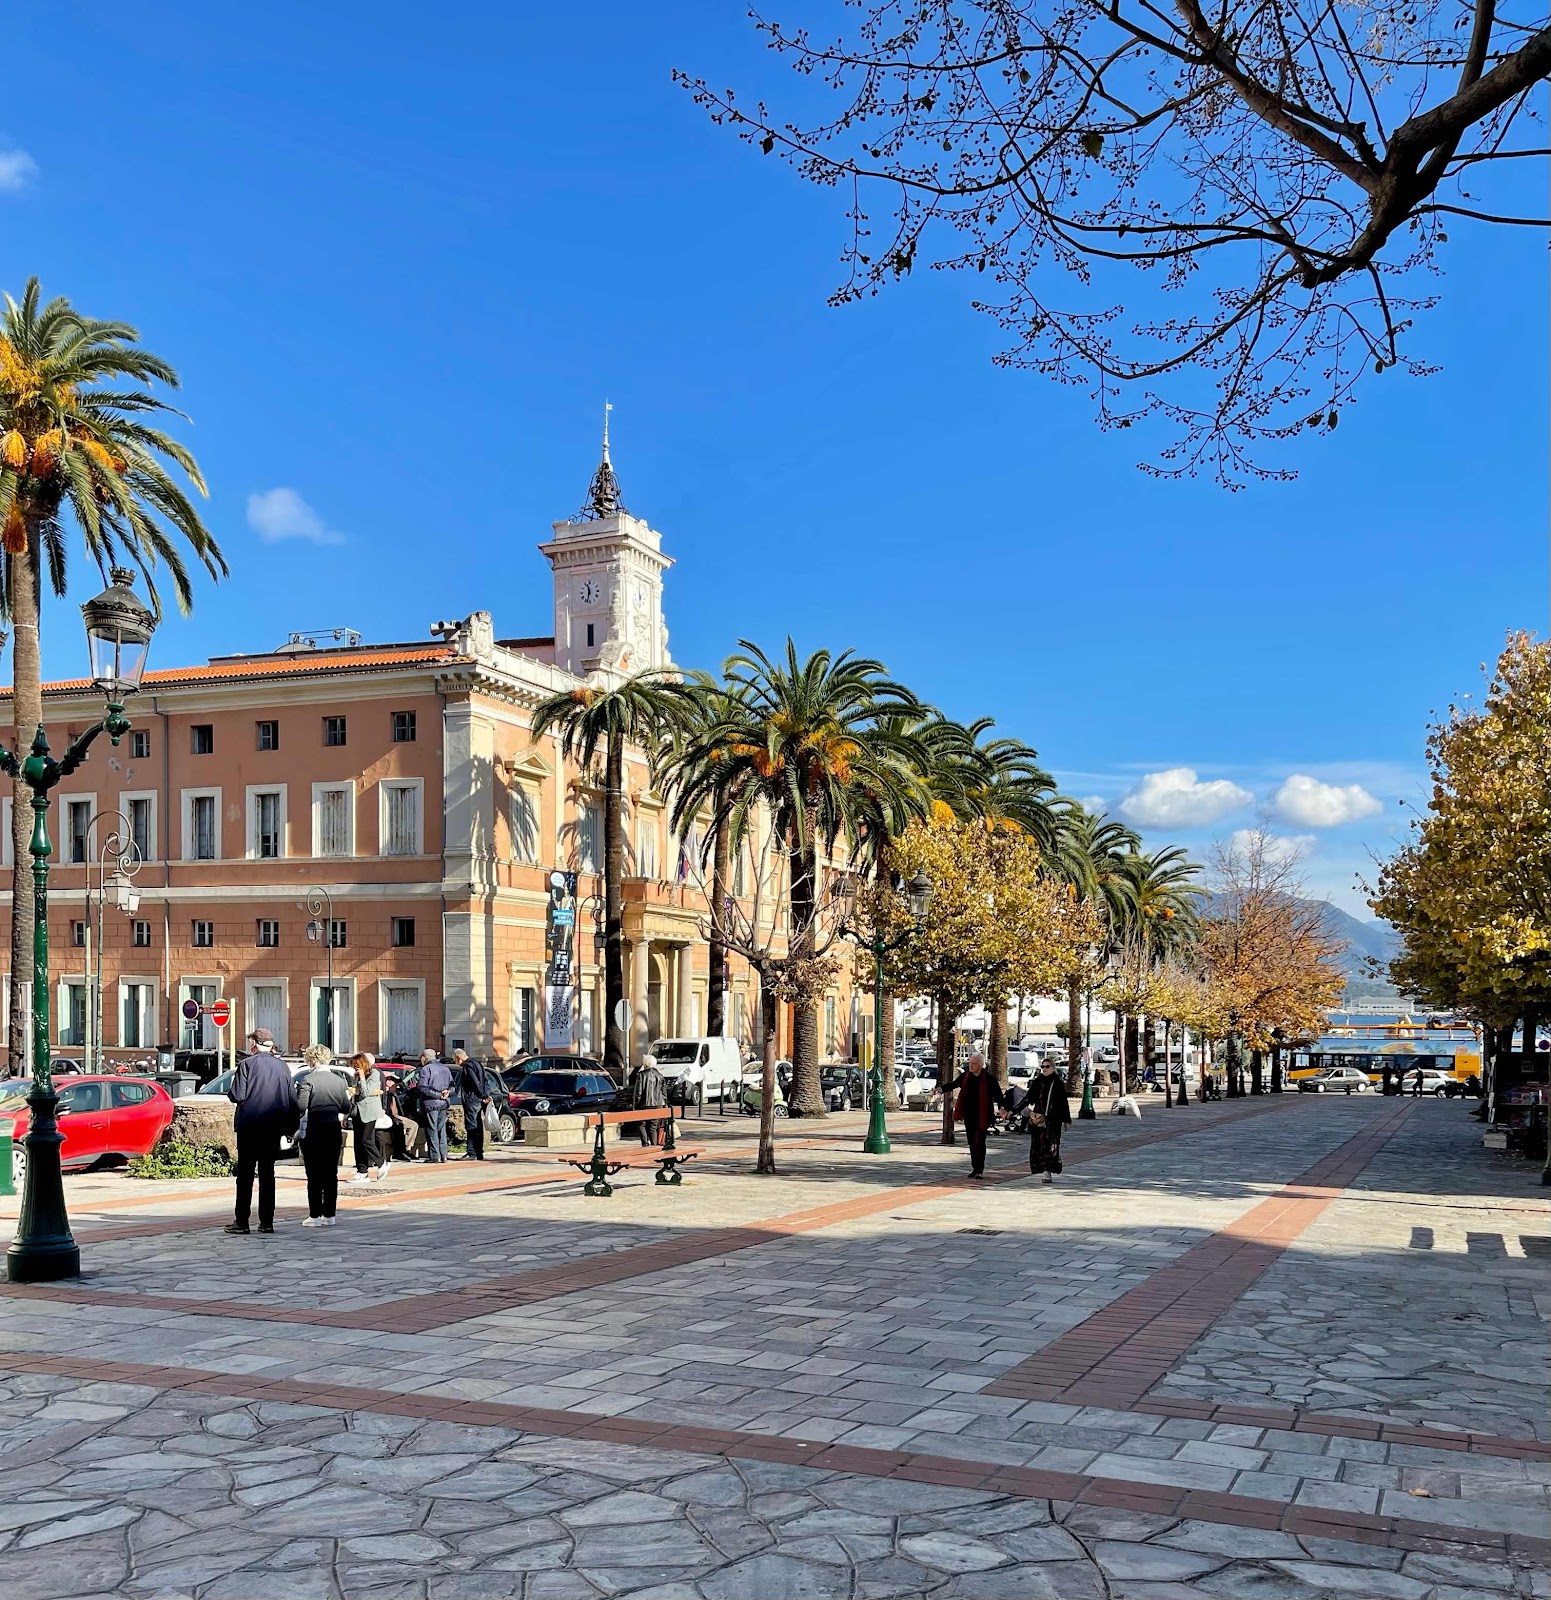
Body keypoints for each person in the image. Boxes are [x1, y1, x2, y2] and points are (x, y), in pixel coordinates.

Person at [225, 1028, 297, 1235]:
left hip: (249, 1126)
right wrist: (291, 1128)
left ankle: (242, 1221)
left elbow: (237, 1095)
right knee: (267, 1174)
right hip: (273, 1128)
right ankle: (267, 1222)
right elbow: (291, 1100)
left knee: (245, 1175)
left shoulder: (246, 1064)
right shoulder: (282, 1067)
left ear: (254, 1044)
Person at [296, 1044, 350, 1225]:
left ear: (311, 1060)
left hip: (314, 1130)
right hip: (333, 1129)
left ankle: (315, 1216)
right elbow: (346, 1107)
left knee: (314, 1174)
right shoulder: (339, 1081)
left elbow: (301, 1106)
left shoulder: (308, 1080)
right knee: (331, 1173)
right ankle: (330, 1215)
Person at [938, 1052, 1006, 1179]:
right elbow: (953, 1084)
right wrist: (940, 1089)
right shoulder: (966, 1076)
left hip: (983, 1115)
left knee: (980, 1142)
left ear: (981, 1065)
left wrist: (1002, 1108)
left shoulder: (989, 1079)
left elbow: (999, 1096)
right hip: (969, 1115)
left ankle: (979, 1169)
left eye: (974, 1063)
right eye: (970, 1063)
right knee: (972, 1142)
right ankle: (975, 1167)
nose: (971, 1066)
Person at [1026, 1059, 1072, 1183]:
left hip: (1054, 1119)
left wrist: (1067, 1120)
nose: (1044, 1069)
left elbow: (1063, 1103)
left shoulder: (1057, 1083)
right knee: (1039, 1145)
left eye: (1047, 1066)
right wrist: (1013, 1110)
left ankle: (1049, 1170)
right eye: (1042, 1067)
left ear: (1052, 1067)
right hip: (1039, 1119)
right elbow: (1028, 1098)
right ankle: (1044, 1169)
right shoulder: (1038, 1081)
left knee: (1051, 1145)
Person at [346, 1053, 389, 1183]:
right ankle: (362, 1172)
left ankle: (381, 1163)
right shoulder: (356, 1075)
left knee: (366, 1140)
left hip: (369, 1112)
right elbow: (354, 1095)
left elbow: (365, 1092)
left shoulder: (374, 1074)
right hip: (357, 1112)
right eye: (353, 1065)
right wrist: (347, 1115)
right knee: (358, 1143)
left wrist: (362, 1077)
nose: (355, 1067)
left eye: (356, 1065)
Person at [414, 1048, 455, 1162]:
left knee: (432, 1129)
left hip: (431, 1103)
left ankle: (435, 1156)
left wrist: (438, 1095)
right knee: (441, 1129)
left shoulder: (425, 1069)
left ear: (425, 1058)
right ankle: (444, 1155)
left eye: (421, 1058)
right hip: (444, 1103)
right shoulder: (445, 1068)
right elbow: (452, 1085)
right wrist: (447, 1092)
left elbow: (422, 1087)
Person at [453, 1048, 493, 1161]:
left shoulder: (467, 1066)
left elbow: (475, 1082)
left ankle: (472, 1152)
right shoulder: (477, 1063)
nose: (456, 1063)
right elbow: (485, 1081)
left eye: (455, 1060)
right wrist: (486, 1094)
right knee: (478, 1125)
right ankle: (479, 1152)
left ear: (458, 1058)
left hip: (472, 1099)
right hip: (478, 1099)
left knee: (471, 1126)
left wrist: (483, 1095)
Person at [630, 1052, 668, 1146]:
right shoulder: (660, 1075)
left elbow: (638, 1093)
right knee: (653, 1127)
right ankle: (654, 1145)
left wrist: (635, 1106)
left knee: (641, 1124)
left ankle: (645, 1143)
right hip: (658, 1105)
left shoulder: (641, 1075)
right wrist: (664, 1105)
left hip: (644, 1105)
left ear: (645, 1064)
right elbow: (664, 1093)